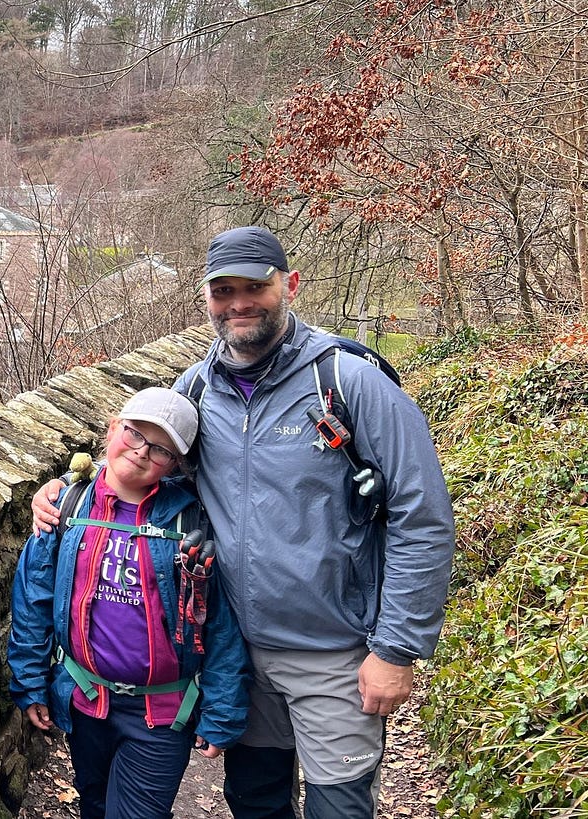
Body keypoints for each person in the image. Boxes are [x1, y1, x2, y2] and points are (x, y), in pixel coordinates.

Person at [31, 226, 456, 819]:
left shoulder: (348, 381)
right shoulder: (198, 388)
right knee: (255, 800)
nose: (238, 303)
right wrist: (69, 490)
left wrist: (396, 649)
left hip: (331, 651)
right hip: (234, 654)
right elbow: (149, 469)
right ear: (205, 297)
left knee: (338, 806)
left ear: (290, 285)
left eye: (254, 287)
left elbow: (423, 516)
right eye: (222, 290)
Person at [9, 387, 249, 819]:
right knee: (96, 804)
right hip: (86, 701)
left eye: (159, 449)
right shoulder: (67, 505)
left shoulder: (191, 520)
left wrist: (223, 707)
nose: (140, 452)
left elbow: (219, 622)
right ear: (112, 428)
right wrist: (29, 683)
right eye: (134, 433)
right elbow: (33, 601)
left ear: (175, 464)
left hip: (161, 713)